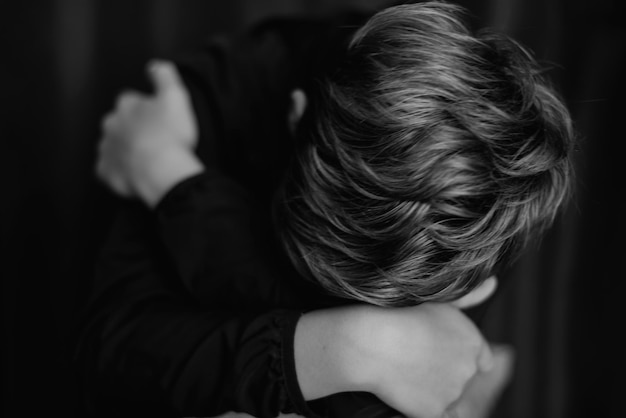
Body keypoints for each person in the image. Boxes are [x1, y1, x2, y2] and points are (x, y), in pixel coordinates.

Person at [78, 2, 574, 417]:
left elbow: (373, 401)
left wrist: (168, 177)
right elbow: (114, 348)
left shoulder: (494, 195)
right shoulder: (217, 95)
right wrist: (347, 346)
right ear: (294, 116)